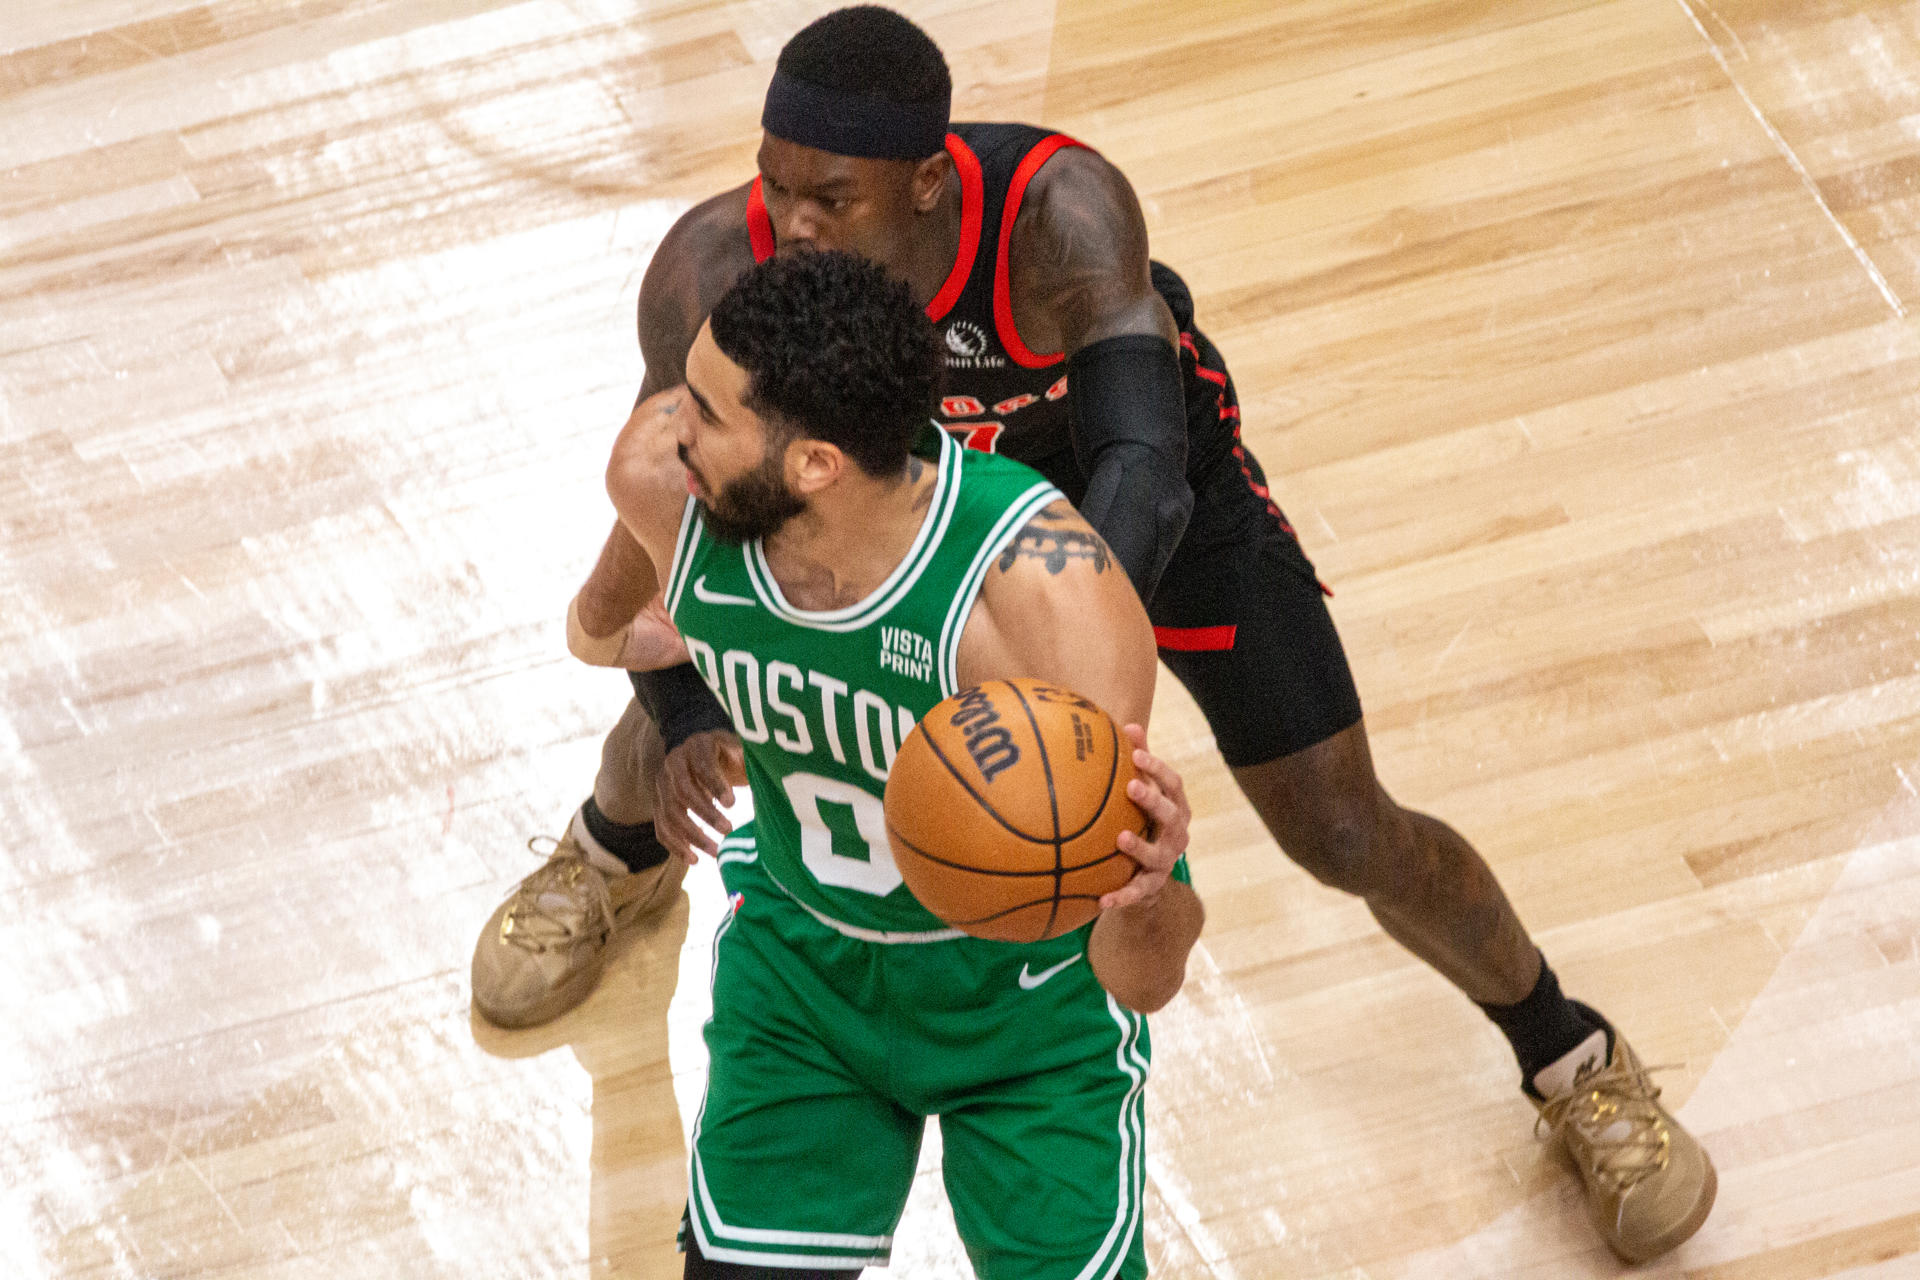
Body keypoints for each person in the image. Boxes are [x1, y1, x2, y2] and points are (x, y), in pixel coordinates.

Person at [472, 5, 1714, 1264]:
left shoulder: (1056, 215)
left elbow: (1144, 463)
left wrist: (1031, 682)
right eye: (774, 183)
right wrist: (697, 710)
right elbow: (678, 524)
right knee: (768, 651)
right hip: (884, 501)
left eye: (830, 199)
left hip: (1132, 508)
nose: (792, 225)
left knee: (1342, 825)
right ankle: (612, 853)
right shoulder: (711, 269)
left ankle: (1570, 1052)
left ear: (926, 184)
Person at [579, 247, 1205, 1277]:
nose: (668, 423)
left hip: (1027, 1004)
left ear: (816, 462)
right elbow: (600, 633)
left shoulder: (1043, 597)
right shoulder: (668, 485)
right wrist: (691, 702)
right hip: (805, 974)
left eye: (703, 408)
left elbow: (1144, 981)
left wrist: (1142, 898)